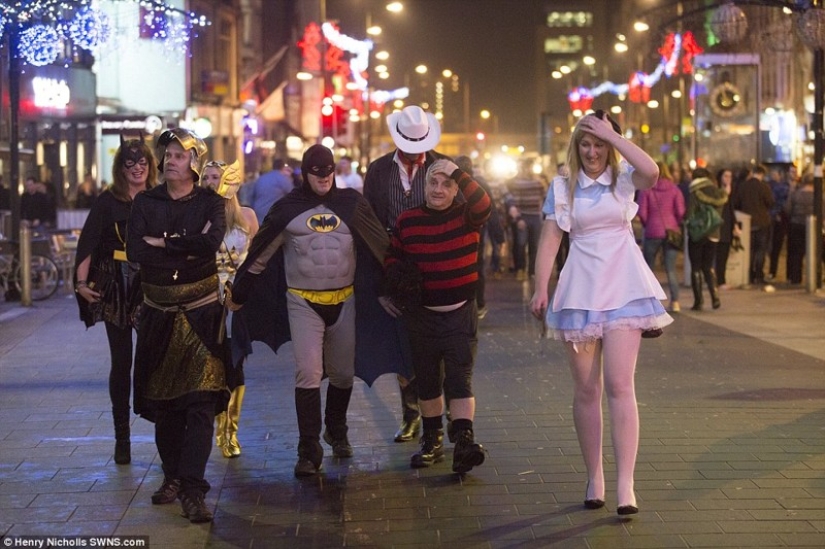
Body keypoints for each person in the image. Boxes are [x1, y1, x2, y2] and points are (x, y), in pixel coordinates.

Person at [529, 111, 672, 516]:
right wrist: (541, 287)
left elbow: (652, 171)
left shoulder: (624, 178)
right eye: (586, 144)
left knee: (620, 385)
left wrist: (614, 136)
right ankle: (595, 476)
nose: (592, 152)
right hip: (580, 289)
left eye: (599, 145)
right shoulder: (562, 186)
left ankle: (626, 484)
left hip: (625, 286)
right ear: (576, 147)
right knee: (586, 390)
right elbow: (550, 240)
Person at [227, 145, 390, 478]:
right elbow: (260, 256)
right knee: (308, 373)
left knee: (343, 374)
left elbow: (379, 247)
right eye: (317, 172)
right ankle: (308, 450)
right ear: (305, 173)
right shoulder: (287, 209)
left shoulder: (352, 204)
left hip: (344, 297)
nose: (324, 177)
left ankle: (337, 428)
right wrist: (239, 293)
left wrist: (394, 285)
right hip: (302, 301)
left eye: (328, 170)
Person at [127, 128, 228, 524]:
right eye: (168, 154)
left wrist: (164, 243)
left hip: (202, 315)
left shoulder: (210, 202)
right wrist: (185, 243)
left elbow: (211, 243)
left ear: (194, 162)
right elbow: (135, 249)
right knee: (166, 406)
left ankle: (193, 489)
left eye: (179, 155)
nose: (171, 161)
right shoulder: (146, 202)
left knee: (201, 403)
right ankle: (172, 476)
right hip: (159, 315)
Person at [382, 159, 492, 473]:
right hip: (422, 316)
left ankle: (464, 442)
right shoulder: (408, 221)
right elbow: (392, 256)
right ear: (424, 185)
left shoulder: (467, 215)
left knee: (459, 380)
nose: (439, 189)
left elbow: (484, 203)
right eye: (433, 182)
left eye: (447, 184)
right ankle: (432, 441)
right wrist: (398, 279)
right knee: (428, 381)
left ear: (457, 189)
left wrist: (457, 171)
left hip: (460, 314)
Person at [363, 105, 448, 443]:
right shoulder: (378, 170)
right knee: (402, 344)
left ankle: (436, 412)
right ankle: (410, 413)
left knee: (436, 345)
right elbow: (369, 226)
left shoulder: (443, 166)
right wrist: (380, 284)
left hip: (435, 263)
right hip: (395, 263)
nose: (414, 152)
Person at [74, 136, 157, 466]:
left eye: (142, 163)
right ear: (121, 169)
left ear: (150, 166)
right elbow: (88, 242)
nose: (137, 168)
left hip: (151, 283)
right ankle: (122, 437)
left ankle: (164, 436)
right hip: (117, 286)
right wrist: (81, 283)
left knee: (154, 361)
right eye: (130, 163)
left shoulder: (158, 197)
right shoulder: (108, 201)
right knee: (122, 363)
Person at [201, 160, 260, 458]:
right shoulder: (197, 215)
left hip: (238, 301)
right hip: (207, 300)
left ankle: (231, 432)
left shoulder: (247, 216)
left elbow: (258, 260)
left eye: (217, 176)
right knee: (213, 365)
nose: (212, 182)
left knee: (235, 364)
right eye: (207, 177)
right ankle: (217, 427)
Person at [455, 155, 504, 320]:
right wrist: (499, 236)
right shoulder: (480, 184)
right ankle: (479, 304)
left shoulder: (453, 184)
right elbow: (492, 210)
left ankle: (464, 303)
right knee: (477, 267)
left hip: (457, 235)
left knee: (460, 269)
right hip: (477, 233)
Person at [637, 162, 686, 312]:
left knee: (649, 269)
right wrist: (674, 224)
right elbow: (681, 211)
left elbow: (642, 212)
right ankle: (675, 302)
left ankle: (650, 302)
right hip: (671, 232)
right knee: (670, 268)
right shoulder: (675, 189)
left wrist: (647, 224)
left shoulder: (646, 190)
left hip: (652, 231)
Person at [685, 168, 728, 310]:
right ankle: (715, 297)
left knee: (696, 267)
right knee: (708, 266)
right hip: (714, 234)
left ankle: (699, 301)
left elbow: (690, 214)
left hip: (698, 234)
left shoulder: (695, 191)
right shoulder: (719, 192)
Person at [503, 159, 546, 280]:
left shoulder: (539, 182)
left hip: (535, 217)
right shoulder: (517, 183)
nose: (528, 170)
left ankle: (532, 271)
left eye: (530, 167)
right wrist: (518, 218)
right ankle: (520, 269)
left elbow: (543, 198)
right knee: (521, 244)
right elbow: (515, 201)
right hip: (523, 216)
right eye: (526, 167)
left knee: (534, 245)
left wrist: (542, 214)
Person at [732, 165, 774, 288]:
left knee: (749, 249)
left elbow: (736, 203)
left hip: (747, 222)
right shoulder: (764, 187)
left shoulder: (743, 186)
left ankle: (749, 274)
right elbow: (770, 202)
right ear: (762, 174)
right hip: (762, 222)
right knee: (761, 249)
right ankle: (759, 274)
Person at [784, 173, 816, 285]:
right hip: (812, 226)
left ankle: (795, 278)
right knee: (813, 251)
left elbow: (787, 209)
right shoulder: (818, 196)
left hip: (796, 224)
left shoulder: (795, 194)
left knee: (796, 253)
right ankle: (814, 277)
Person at [715, 168, 740, 289]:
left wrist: (735, 225)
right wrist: (725, 194)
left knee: (724, 254)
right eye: (725, 176)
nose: (728, 179)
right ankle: (719, 280)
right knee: (718, 254)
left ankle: (721, 280)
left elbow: (731, 209)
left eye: (730, 176)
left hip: (727, 227)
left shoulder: (731, 191)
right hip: (718, 226)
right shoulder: (717, 191)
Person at [249, 159, 295, 224]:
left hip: (258, 212)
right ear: (282, 167)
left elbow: (253, 195)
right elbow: (293, 195)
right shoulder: (283, 179)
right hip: (273, 214)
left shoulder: (262, 178)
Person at [766, 166, 791, 282]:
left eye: (775, 174)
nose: (773, 176)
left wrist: (776, 213)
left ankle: (773, 272)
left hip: (778, 218)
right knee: (776, 247)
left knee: (775, 247)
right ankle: (784, 274)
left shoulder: (777, 187)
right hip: (781, 218)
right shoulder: (783, 187)